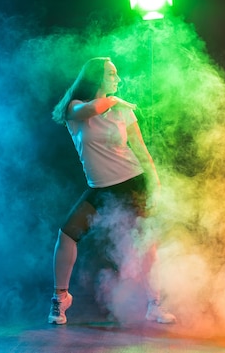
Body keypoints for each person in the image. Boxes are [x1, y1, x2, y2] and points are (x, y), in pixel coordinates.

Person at [48, 57, 176, 325]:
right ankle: (61, 299)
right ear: (96, 78)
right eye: (111, 74)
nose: (117, 79)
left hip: (132, 182)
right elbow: (93, 109)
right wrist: (116, 100)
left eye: (116, 74)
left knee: (145, 242)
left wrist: (155, 183)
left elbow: (140, 150)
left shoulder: (123, 112)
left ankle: (155, 304)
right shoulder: (75, 109)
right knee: (67, 235)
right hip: (99, 188)